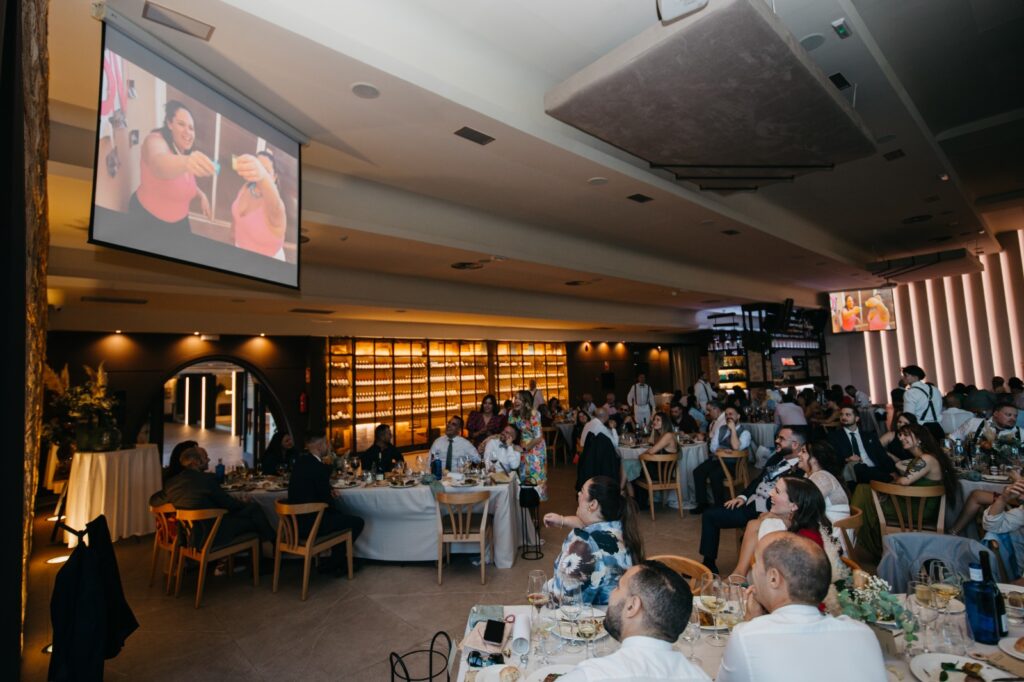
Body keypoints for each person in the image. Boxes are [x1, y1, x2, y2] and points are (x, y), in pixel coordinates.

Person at [716, 533, 886, 682]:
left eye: (755, 564)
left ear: (774, 579)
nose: (752, 571)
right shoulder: (863, 634)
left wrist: (750, 623)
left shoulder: (746, 637)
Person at [558, 561, 710, 682]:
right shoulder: (701, 677)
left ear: (632, 606)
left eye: (617, 587)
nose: (611, 593)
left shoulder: (588, 676)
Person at [698, 428, 806, 573]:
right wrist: (742, 497)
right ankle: (709, 565)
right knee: (710, 515)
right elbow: (758, 480)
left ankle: (746, 567)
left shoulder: (800, 470)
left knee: (730, 521)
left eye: (781, 439)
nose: (776, 441)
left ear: (795, 444)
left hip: (767, 511)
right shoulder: (777, 458)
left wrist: (760, 506)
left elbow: (789, 500)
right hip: (750, 504)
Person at [849, 423, 958, 560]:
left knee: (863, 491)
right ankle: (860, 541)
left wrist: (885, 490)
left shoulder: (926, 459)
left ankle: (852, 538)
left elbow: (904, 481)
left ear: (919, 439)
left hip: (917, 510)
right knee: (865, 493)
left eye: (906, 435)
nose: (901, 438)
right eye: (900, 435)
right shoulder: (926, 457)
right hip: (915, 505)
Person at [541, 476, 643, 604]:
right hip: (618, 610)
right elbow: (586, 524)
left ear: (593, 504)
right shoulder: (619, 527)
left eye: (582, 491)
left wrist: (543, 592)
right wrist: (562, 520)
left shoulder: (584, 548)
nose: (578, 494)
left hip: (590, 617)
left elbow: (561, 599)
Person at [151, 447, 274, 549]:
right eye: (205, 457)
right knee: (254, 512)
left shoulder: (172, 483)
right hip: (214, 533)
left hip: (191, 534)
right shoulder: (207, 480)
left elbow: (153, 501)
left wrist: (175, 506)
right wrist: (243, 502)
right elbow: (229, 505)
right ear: (196, 462)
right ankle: (270, 551)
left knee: (252, 512)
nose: (209, 460)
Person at [131, 100, 214, 234]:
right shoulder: (154, 140)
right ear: (169, 123)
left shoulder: (183, 151)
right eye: (181, 124)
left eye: (191, 128)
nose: (188, 132)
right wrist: (188, 162)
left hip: (180, 222)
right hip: (148, 221)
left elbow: (184, 182)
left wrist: (202, 195)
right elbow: (158, 163)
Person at [733, 476, 840, 577]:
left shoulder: (804, 540)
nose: (771, 493)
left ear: (793, 506)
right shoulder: (795, 522)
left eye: (777, 491)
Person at [289, 435, 365, 575]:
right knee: (356, 522)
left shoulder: (300, 463)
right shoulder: (318, 467)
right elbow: (326, 502)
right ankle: (334, 563)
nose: (328, 447)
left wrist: (328, 491)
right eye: (326, 444)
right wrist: (331, 496)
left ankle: (336, 562)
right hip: (312, 525)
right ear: (319, 446)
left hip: (296, 524)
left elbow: (311, 487)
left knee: (339, 518)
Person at [231, 150, 288, 260]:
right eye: (257, 166)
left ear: (274, 177)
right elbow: (236, 219)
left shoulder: (275, 206)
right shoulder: (246, 187)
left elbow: (274, 202)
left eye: (266, 171)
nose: (258, 173)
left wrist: (262, 175)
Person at [827, 405, 894, 485]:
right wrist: (847, 459)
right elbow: (831, 458)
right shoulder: (834, 437)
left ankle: (889, 480)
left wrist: (892, 471)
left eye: (847, 415)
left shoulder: (869, 435)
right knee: (859, 467)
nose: (843, 417)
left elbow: (882, 455)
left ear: (856, 418)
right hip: (855, 470)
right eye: (841, 414)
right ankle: (889, 480)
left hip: (874, 468)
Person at [509, 390, 548, 500]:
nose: (515, 401)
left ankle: (535, 512)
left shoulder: (534, 414)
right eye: (515, 398)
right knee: (524, 479)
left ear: (526, 402)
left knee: (535, 480)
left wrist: (523, 448)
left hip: (535, 449)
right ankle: (527, 511)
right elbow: (511, 431)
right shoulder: (512, 414)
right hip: (521, 447)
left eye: (519, 399)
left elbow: (538, 437)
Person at [902, 365, 944, 440]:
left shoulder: (910, 393)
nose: (903, 378)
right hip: (938, 428)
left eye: (905, 375)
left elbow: (908, 416)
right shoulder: (935, 389)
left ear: (915, 376)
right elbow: (940, 408)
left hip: (921, 430)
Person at [951, 401, 1022, 444]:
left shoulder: (1020, 433)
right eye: (1008, 415)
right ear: (996, 414)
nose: (1013, 419)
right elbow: (952, 439)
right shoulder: (974, 423)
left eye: (1015, 416)